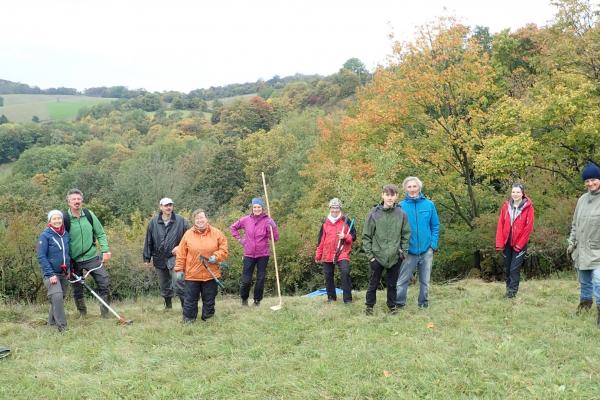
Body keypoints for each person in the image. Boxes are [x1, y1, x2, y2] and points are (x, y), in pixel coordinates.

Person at [362, 184, 410, 315]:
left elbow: (406, 234)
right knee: (373, 283)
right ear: (382, 195)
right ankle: (369, 307)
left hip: (395, 256)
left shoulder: (401, 214)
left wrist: (403, 252)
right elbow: (366, 236)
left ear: (396, 196)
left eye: (392, 195)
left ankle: (392, 306)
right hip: (377, 256)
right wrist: (370, 256)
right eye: (387, 195)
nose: (390, 198)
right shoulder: (373, 214)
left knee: (392, 284)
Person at [64, 188, 111, 318]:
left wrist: (105, 250)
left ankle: (105, 314)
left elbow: (100, 233)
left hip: (92, 257)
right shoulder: (64, 218)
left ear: (82, 201)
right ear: (68, 202)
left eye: (79, 199)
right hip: (73, 260)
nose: (76, 201)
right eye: (73, 199)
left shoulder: (89, 215)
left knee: (104, 282)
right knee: (77, 289)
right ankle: (83, 314)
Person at [175, 209, 228, 322]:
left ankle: (208, 318)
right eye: (197, 218)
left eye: (202, 217)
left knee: (209, 298)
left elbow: (224, 249)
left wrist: (217, 256)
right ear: (194, 221)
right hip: (192, 274)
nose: (200, 220)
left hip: (211, 273)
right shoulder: (188, 234)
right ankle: (189, 319)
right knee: (190, 299)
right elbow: (181, 253)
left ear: (206, 218)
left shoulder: (217, 233)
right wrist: (179, 269)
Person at [395, 177, 440, 309]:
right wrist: (400, 247)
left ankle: (423, 304)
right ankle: (399, 304)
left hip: (426, 250)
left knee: (425, 281)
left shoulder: (429, 205)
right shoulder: (400, 206)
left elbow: (435, 226)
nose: (412, 189)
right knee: (402, 281)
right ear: (405, 189)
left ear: (419, 187)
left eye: (415, 186)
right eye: (409, 187)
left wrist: (433, 245)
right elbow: (396, 229)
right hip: (408, 251)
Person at [567, 162, 600, 328]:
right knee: (585, 282)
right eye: (587, 180)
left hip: (598, 251)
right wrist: (571, 242)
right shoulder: (581, 199)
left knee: (599, 282)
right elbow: (575, 224)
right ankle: (585, 306)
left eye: (593, 179)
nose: (590, 183)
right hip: (581, 250)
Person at [230, 197, 279, 306]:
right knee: (246, 279)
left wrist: (274, 227)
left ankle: (257, 300)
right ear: (252, 208)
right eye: (255, 207)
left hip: (263, 254)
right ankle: (244, 299)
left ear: (262, 208)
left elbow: (275, 238)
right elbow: (233, 228)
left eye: (259, 207)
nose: (257, 209)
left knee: (260, 278)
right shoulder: (246, 220)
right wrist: (240, 240)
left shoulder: (267, 221)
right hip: (249, 254)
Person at [143, 197, 190, 310]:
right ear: (161, 207)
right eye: (166, 205)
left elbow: (190, 237)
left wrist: (180, 247)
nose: (168, 207)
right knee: (164, 284)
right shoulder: (153, 222)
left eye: (170, 205)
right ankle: (168, 307)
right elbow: (149, 240)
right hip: (159, 258)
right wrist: (146, 258)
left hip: (176, 257)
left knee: (179, 282)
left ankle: (186, 308)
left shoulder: (181, 220)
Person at [495, 183, 535, 298]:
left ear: (522, 194)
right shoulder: (506, 206)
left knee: (514, 269)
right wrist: (499, 243)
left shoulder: (528, 207)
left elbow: (528, 228)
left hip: (520, 244)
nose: (515, 194)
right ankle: (508, 290)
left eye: (518, 192)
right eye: (513, 192)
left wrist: (520, 244)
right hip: (507, 242)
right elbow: (500, 225)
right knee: (507, 268)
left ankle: (512, 293)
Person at [315, 198, 356, 303]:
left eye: (337, 208)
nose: (334, 210)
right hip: (327, 253)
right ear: (330, 208)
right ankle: (331, 298)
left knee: (345, 272)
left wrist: (345, 236)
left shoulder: (346, 220)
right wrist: (318, 255)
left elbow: (354, 236)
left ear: (340, 208)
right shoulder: (325, 222)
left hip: (342, 251)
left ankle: (347, 299)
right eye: (332, 208)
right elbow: (321, 240)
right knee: (328, 275)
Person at [36, 210, 71, 332]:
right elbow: (41, 256)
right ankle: (62, 327)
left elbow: (67, 254)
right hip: (51, 274)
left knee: (59, 298)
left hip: (64, 273)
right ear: (50, 221)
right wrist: (50, 274)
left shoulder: (65, 234)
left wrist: (69, 270)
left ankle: (51, 323)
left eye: (59, 218)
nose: (57, 221)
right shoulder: (45, 235)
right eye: (54, 219)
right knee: (57, 297)